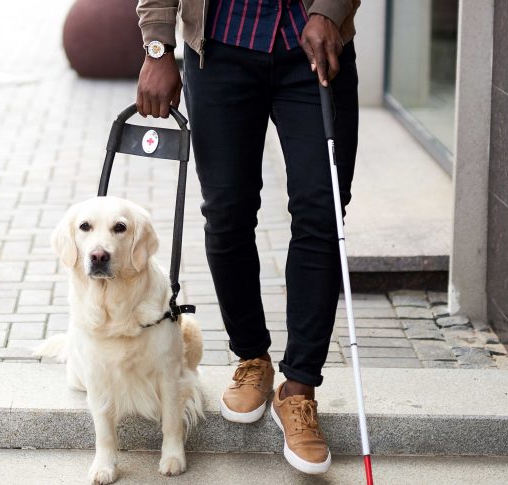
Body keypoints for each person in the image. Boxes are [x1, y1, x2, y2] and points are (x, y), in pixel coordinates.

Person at [134, 0, 360, 475]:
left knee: (322, 213)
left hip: (315, 42)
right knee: (227, 212)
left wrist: (332, 10)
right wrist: (158, 46)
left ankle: (299, 389)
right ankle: (251, 356)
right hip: (221, 48)